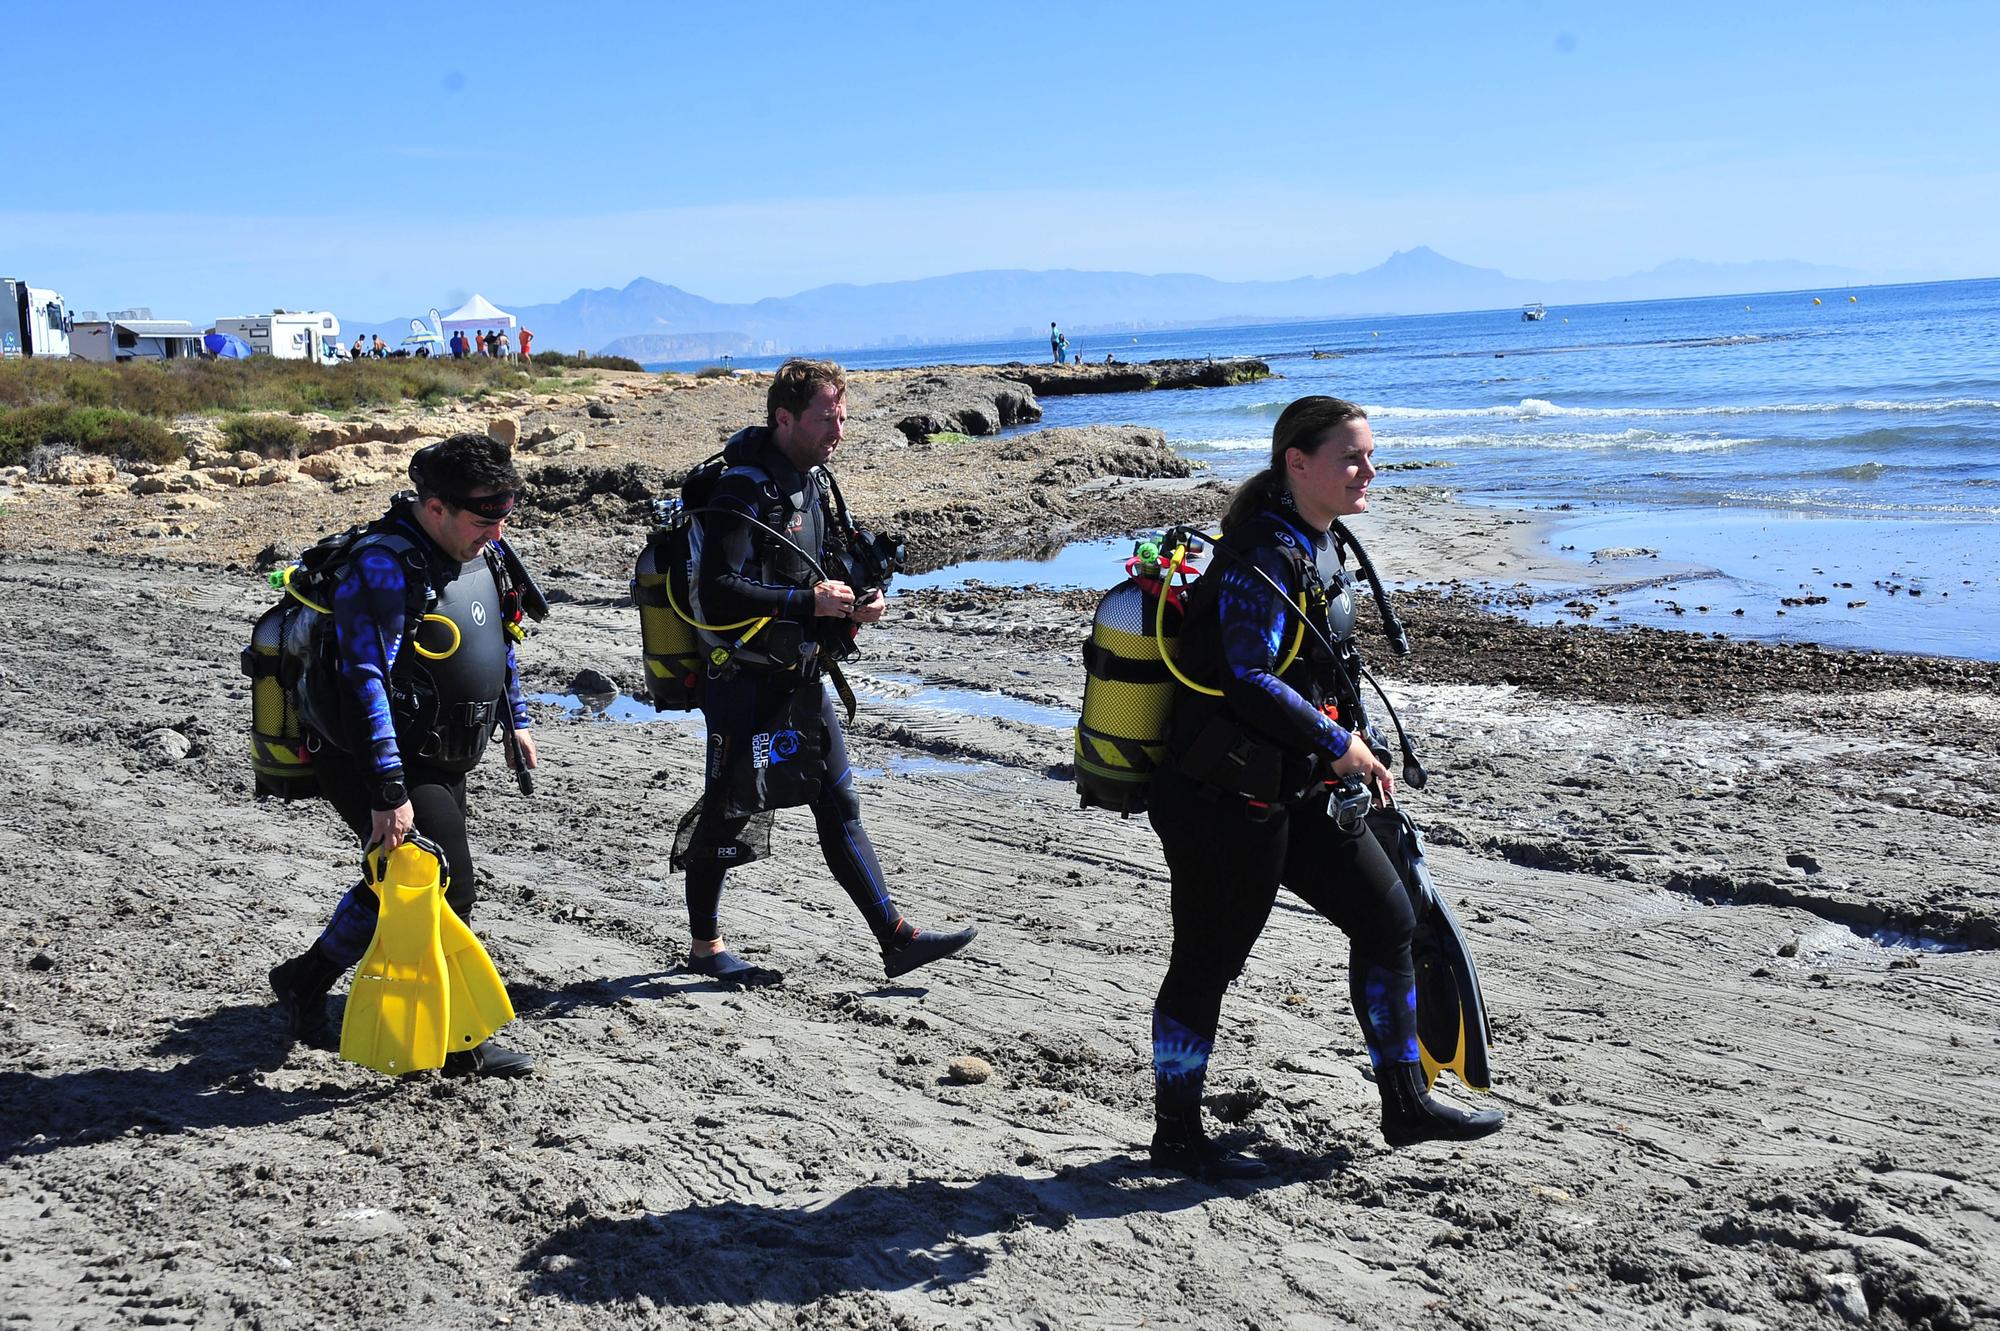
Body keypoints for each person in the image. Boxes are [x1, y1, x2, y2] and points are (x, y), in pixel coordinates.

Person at [1142, 395, 1504, 1178]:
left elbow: (1319, 667)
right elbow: (1246, 675)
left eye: (1371, 455)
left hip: (1293, 786)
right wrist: (1338, 743)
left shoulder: (1318, 540)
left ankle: (1404, 1102)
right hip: (1221, 800)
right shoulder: (1262, 555)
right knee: (1206, 962)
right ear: (1296, 464)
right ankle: (1175, 1133)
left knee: (1389, 915)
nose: (1368, 470)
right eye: (1352, 457)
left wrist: (1355, 741)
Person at [671, 358, 977, 987]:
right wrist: (803, 603)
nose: (838, 428)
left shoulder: (810, 481)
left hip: (799, 671)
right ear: (783, 418)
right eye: (825, 417)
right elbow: (719, 589)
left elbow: (824, 559)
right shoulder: (742, 490)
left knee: (837, 799)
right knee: (731, 807)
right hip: (743, 679)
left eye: (842, 414)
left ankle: (895, 938)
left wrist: (861, 595)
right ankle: (705, 946)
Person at [267, 433, 541, 1077]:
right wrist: (389, 790)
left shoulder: (482, 549)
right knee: (449, 888)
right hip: (375, 754)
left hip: (441, 749)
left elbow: (500, 636)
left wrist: (515, 719)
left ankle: (305, 981)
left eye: (505, 515)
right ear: (436, 506)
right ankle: (458, 1046)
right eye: (485, 518)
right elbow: (366, 679)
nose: (498, 530)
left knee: (397, 882)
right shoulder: (385, 567)